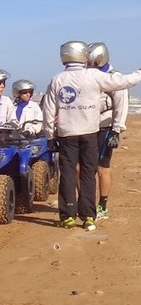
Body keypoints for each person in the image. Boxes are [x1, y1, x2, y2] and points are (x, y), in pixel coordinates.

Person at [41, 41, 141, 231]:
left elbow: (48, 109)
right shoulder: (94, 75)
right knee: (88, 174)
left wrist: (49, 135)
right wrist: (139, 73)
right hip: (89, 133)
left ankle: (67, 216)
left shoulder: (57, 79)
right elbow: (122, 82)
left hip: (66, 134)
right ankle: (88, 216)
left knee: (68, 174)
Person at [88, 41, 129, 220]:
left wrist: (116, 129)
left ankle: (102, 205)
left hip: (105, 127)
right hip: (87, 126)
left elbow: (121, 105)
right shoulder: (89, 76)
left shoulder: (114, 77)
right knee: (82, 168)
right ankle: (86, 204)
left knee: (102, 166)